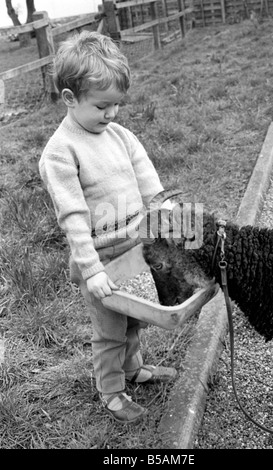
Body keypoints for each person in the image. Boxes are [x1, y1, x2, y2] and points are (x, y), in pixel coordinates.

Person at [39, 31, 177, 424]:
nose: (112, 114)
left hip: (134, 247)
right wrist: (92, 269)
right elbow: (74, 218)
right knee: (110, 330)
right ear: (70, 98)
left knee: (134, 317)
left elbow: (147, 179)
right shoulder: (61, 152)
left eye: (117, 105)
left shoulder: (119, 135)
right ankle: (112, 389)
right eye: (102, 106)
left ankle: (134, 369)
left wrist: (163, 205)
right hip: (99, 257)